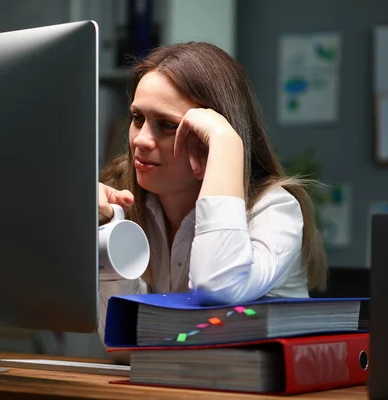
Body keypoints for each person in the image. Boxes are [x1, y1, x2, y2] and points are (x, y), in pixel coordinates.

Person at [97, 42, 328, 353]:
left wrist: (226, 144)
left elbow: (217, 287)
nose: (141, 140)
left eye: (167, 126)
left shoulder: (275, 210)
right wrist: (109, 235)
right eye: (138, 119)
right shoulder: (128, 202)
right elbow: (122, 343)